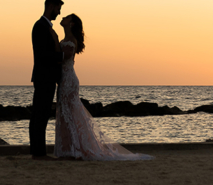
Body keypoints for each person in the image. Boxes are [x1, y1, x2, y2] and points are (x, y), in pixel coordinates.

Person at [54, 13, 152, 161]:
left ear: (72, 23)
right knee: (66, 113)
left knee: (69, 113)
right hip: (65, 80)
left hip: (68, 80)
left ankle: (74, 150)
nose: (63, 18)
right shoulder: (64, 40)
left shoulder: (70, 41)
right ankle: (69, 149)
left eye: (66, 17)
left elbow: (63, 58)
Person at [30, 0, 63, 159]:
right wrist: (60, 57)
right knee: (40, 115)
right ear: (51, 6)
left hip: (47, 77)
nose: (59, 13)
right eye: (58, 9)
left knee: (41, 114)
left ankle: (38, 152)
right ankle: (38, 153)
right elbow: (43, 54)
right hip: (44, 77)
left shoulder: (46, 27)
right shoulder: (40, 27)